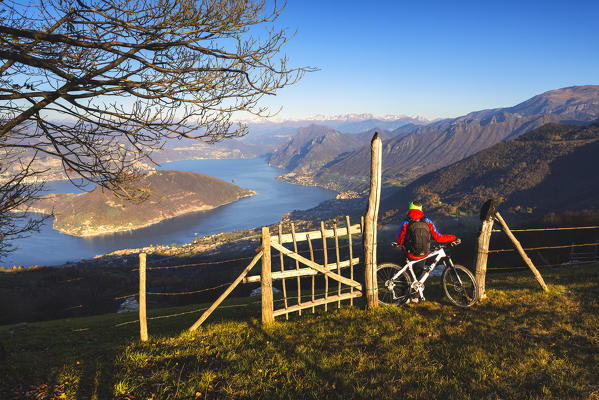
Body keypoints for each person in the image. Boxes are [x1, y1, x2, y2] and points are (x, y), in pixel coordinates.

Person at [395, 201, 460, 300]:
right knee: (419, 274)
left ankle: (403, 296)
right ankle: (415, 297)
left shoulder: (406, 222)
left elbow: (399, 240)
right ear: (421, 209)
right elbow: (438, 237)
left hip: (410, 253)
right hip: (423, 254)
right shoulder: (427, 221)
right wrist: (453, 238)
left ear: (410, 208)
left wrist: (401, 245)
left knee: (405, 274)